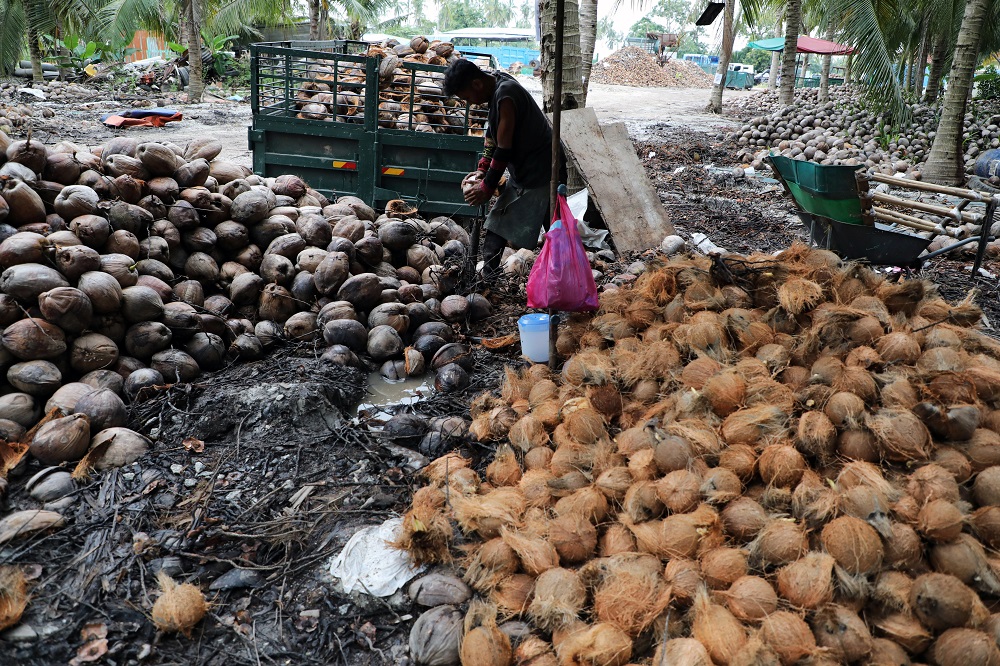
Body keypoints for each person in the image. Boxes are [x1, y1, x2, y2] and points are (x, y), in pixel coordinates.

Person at [442, 59, 563, 275]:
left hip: (542, 170)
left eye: (467, 97)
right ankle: (488, 279)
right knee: (497, 222)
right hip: (525, 171)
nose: (471, 102)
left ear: (477, 84)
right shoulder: (496, 85)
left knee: (555, 228)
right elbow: (492, 139)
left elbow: (504, 149)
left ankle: (565, 277)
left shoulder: (506, 94)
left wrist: (486, 188)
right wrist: (482, 170)